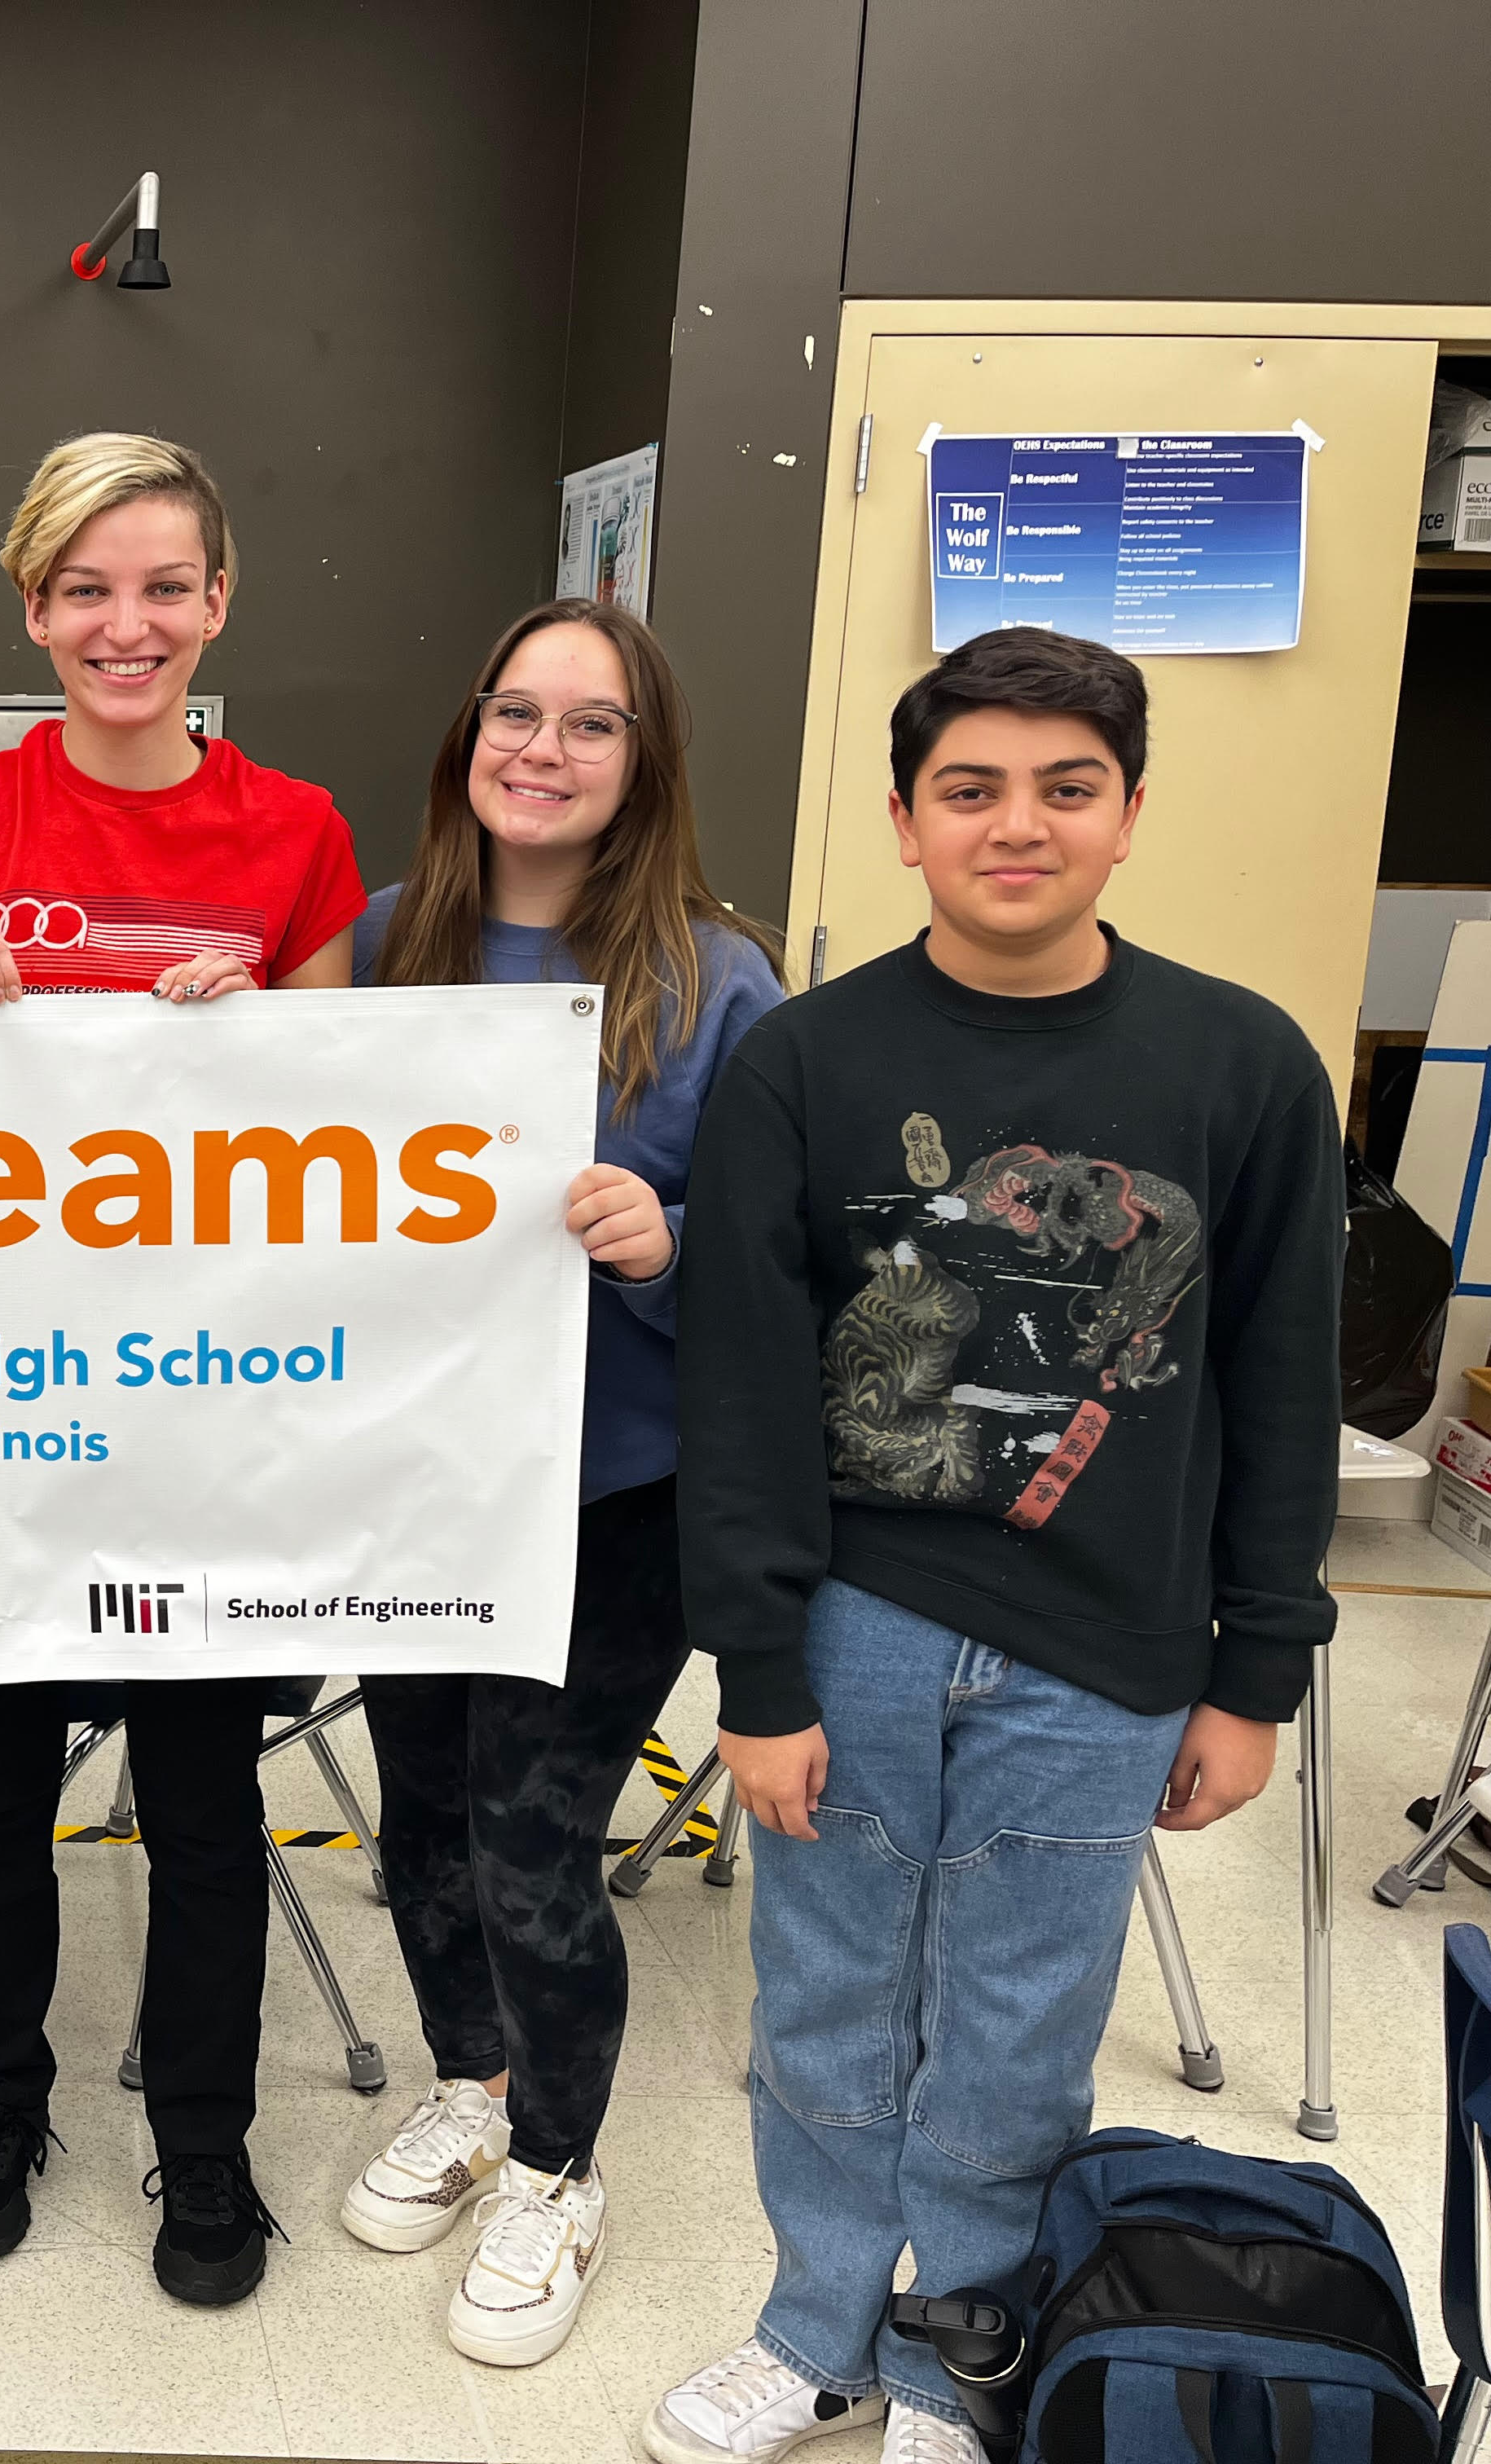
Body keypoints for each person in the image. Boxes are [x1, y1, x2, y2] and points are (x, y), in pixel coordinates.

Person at [642, 628, 1338, 2464]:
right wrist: (762, 1671)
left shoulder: (1244, 1067)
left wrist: (1255, 1673)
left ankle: (961, 2358)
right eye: (971, 789)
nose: (1015, 824)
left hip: (1111, 1652)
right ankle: (815, 2337)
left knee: (1023, 2032)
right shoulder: (806, 1060)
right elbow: (742, 1395)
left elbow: (1279, 1390)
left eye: (1064, 787)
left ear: (1126, 817)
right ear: (901, 819)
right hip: (857, 1625)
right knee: (825, 2005)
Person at [0, 431, 365, 2307]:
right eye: (85, 590)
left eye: (163, 586)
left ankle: (209, 2135)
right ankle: (0, 2095)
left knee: (202, 1795)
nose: (125, 623)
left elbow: (341, 1158)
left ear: (217, 603)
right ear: (32, 608)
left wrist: (258, 1047)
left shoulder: (296, 834)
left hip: (205, 1418)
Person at [334, 601, 781, 2365]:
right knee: (424, 1817)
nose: (542, 747)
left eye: (589, 724)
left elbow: (791, 1279)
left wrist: (666, 1245)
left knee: (534, 1837)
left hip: (617, 1498)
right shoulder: (382, 946)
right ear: (469, 737)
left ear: (643, 761)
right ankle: (469, 2077)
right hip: (413, 1478)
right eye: (515, 711)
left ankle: (557, 2163)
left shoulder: (719, 982)